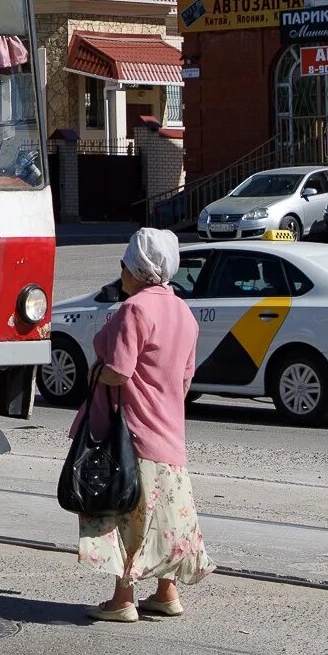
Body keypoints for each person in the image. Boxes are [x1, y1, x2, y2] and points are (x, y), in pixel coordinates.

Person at [74, 227, 215, 622]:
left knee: (127, 514)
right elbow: (185, 379)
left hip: (132, 435)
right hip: (169, 432)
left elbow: (119, 371)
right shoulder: (183, 312)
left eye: (124, 264)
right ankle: (166, 593)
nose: (120, 272)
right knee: (166, 518)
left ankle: (122, 601)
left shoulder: (135, 309)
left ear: (137, 268)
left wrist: (95, 372)